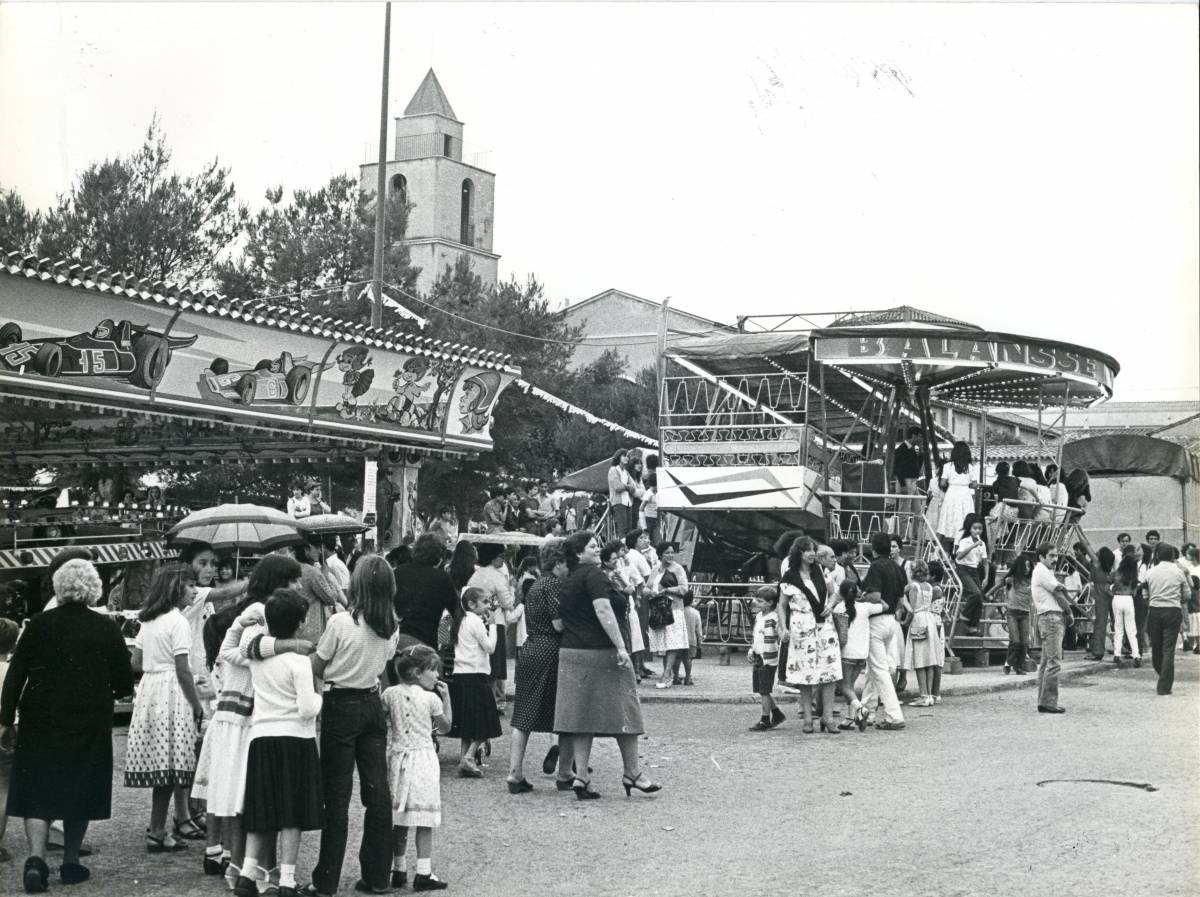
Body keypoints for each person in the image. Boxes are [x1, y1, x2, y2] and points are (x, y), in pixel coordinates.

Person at [0, 560, 132, 892]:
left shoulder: (39, 624)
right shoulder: (106, 628)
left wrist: (5, 720)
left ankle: (36, 858)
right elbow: (123, 681)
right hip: (88, 719)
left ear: (59, 587)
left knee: (38, 790)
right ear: (94, 588)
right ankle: (71, 861)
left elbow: (15, 675)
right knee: (81, 788)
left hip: (40, 717)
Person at [195, 555, 307, 888]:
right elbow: (246, 650)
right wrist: (290, 646)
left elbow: (231, 649)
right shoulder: (264, 616)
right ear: (278, 584)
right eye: (293, 581)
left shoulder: (247, 614)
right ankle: (255, 869)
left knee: (238, 794)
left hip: (235, 711)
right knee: (252, 796)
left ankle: (237, 861)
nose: (299, 586)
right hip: (251, 714)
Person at [306, 556, 399, 897]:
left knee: (337, 794)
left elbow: (317, 664)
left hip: (341, 704)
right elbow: (385, 661)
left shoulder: (341, 623)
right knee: (377, 793)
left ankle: (326, 879)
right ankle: (377, 874)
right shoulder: (391, 625)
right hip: (371, 703)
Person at [552, 531, 659, 800]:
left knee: (581, 717)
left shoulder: (567, 579)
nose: (597, 549)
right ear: (579, 553)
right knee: (627, 711)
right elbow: (603, 609)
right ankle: (632, 772)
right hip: (601, 652)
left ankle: (582, 777)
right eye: (592, 546)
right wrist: (622, 647)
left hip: (572, 651)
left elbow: (559, 623)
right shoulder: (594, 574)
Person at [232, 590, 324, 897]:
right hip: (295, 739)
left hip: (262, 737)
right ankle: (286, 879)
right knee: (291, 813)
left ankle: (247, 874)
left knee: (261, 809)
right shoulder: (299, 663)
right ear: (299, 623)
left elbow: (241, 647)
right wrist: (321, 697)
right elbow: (307, 708)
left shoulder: (257, 660)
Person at [125, 563, 207, 850]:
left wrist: (155, 667)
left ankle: (157, 828)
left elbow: (135, 662)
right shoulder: (178, 622)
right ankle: (157, 831)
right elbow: (183, 668)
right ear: (176, 588)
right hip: (173, 692)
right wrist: (197, 705)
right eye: (190, 585)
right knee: (174, 765)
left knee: (164, 766)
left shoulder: (149, 620)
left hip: (150, 690)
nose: (195, 591)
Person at [508, 540, 576, 792]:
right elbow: (559, 624)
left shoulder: (535, 584)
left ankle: (515, 773)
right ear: (558, 563)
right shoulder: (555, 585)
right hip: (551, 650)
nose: (569, 569)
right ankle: (566, 772)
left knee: (523, 715)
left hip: (530, 647)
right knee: (564, 714)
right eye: (567, 564)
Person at [383, 645, 451, 892]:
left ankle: (398, 868)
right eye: (432, 670)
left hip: (398, 758)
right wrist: (447, 699)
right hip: (423, 759)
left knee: (400, 816)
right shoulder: (432, 699)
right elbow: (446, 727)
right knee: (424, 818)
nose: (436, 675)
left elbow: (383, 721)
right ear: (416, 672)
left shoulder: (389, 694)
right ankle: (423, 871)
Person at [778, 536, 842, 734]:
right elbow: (781, 605)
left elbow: (834, 593)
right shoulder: (790, 577)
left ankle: (828, 717)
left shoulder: (822, 572)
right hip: (801, 626)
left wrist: (830, 605)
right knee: (805, 674)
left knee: (829, 672)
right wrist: (783, 628)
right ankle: (807, 717)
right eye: (807, 550)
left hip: (824, 626)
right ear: (799, 552)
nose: (812, 553)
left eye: (813, 549)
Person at [448, 588, 502, 778]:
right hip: (476, 674)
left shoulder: (460, 620)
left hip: (461, 674)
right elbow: (490, 647)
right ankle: (469, 757)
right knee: (485, 721)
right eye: (485, 602)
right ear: (472, 604)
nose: (489, 606)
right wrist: (493, 626)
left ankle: (464, 756)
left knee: (467, 722)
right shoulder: (476, 621)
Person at [859, 532, 906, 730]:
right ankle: (866, 712)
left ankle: (894, 716)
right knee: (875, 669)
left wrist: (862, 596)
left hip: (877, 620)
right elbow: (903, 593)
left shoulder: (876, 566)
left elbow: (876, 595)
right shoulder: (897, 566)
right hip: (891, 621)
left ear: (874, 547)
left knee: (879, 670)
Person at [466, 544, 516, 713]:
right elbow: (507, 602)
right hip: (496, 621)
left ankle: (481, 701)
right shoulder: (497, 577)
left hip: (477, 620)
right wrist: (513, 591)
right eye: (500, 556)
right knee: (494, 666)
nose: (502, 559)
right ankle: (492, 702)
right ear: (494, 557)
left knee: (481, 662)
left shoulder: (474, 576)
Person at [394, 534, 458, 652]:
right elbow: (455, 610)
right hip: (426, 640)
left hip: (397, 638)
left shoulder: (399, 572)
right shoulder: (441, 578)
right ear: (437, 555)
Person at [1143, 543, 1189, 696]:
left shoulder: (1150, 572)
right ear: (1172, 556)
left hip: (1154, 611)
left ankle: (1162, 674)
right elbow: (1187, 595)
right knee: (1168, 649)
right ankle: (1164, 685)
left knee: (1156, 646)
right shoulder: (1178, 572)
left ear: (1157, 555)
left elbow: (1144, 594)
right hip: (1173, 611)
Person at [1031, 543, 1072, 714]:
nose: (1055, 559)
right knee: (1054, 663)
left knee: (1046, 663)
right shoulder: (1042, 570)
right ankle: (1049, 701)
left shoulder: (1044, 571)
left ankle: (1043, 700)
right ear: (1041, 557)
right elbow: (1058, 592)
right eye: (1051, 556)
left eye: (1056, 556)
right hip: (1052, 617)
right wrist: (1069, 612)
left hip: (1046, 617)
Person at [646, 542, 691, 689]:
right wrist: (651, 592)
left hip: (674, 609)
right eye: (667, 553)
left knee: (673, 643)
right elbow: (646, 588)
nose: (670, 555)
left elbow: (684, 589)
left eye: (672, 552)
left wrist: (667, 590)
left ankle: (666, 674)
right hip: (658, 610)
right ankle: (668, 674)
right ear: (660, 554)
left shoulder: (678, 569)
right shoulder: (655, 570)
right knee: (663, 644)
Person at [900, 560, 944, 707]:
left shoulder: (913, 586)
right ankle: (930, 694)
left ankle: (923, 694)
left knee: (919, 658)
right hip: (929, 619)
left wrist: (905, 623)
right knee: (929, 658)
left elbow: (912, 609)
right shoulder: (930, 587)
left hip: (918, 620)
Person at [747, 585, 785, 731]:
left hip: (768, 658)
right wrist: (752, 649)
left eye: (761, 601)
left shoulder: (774, 618)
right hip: (759, 655)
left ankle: (765, 718)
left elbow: (780, 634)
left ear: (770, 603)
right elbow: (756, 636)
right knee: (762, 689)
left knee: (764, 689)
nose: (757, 603)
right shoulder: (758, 617)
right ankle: (776, 713)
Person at [294, 537, 345, 644]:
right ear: (306, 549)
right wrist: (325, 576)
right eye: (316, 547)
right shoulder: (313, 573)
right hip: (312, 632)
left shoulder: (291, 567)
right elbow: (331, 598)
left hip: (295, 630)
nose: (320, 551)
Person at [954, 515, 989, 635]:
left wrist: (986, 577)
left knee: (980, 598)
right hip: (963, 570)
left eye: (980, 529)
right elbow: (958, 557)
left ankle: (973, 625)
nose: (977, 531)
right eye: (975, 528)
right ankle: (964, 615)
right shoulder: (965, 541)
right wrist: (973, 545)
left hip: (974, 571)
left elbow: (985, 562)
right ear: (970, 529)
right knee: (976, 593)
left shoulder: (982, 544)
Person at [936, 441, 977, 541]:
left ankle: (938, 547)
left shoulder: (947, 466)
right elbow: (975, 484)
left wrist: (952, 482)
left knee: (946, 519)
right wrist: (966, 484)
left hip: (951, 494)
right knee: (964, 518)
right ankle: (961, 543)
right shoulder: (970, 467)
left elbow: (942, 483)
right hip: (965, 495)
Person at [1003, 555, 1034, 675]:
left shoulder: (1032, 581)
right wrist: (989, 593)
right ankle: (1009, 662)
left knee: (1025, 642)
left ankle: (1018, 666)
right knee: (1015, 641)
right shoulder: (1012, 579)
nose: (1027, 568)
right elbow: (1000, 584)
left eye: (1029, 566)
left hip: (1025, 613)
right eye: (1024, 566)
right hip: (1012, 613)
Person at [1111, 548, 1141, 668]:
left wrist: (1112, 591)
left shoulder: (1116, 573)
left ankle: (1116, 654)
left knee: (1118, 628)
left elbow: (1108, 585)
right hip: (1128, 599)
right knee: (1131, 629)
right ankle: (1136, 655)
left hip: (1117, 598)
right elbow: (1135, 591)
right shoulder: (1133, 576)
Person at [1085, 546, 1115, 661]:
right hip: (1108, 595)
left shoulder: (1097, 565)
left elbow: (1086, 545)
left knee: (1100, 624)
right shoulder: (1107, 569)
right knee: (1116, 622)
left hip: (1101, 596)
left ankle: (1098, 651)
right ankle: (1124, 648)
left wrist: (1078, 529)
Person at [893, 426, 925, 513]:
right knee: (904, 511)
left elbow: (917, 467)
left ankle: (916, 527)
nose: (921, 439)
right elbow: (897, 468)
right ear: (914, 436)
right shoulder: (902, 448)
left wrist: (921, 454)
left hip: (913, 481)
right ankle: (902, 527)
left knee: (918, 511)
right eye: (920, 436)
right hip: (906, 481)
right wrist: (903, 485)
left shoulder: (912, 449)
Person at [606, 450, 634, 534]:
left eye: (628, 456)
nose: (627, 458)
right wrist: (628, 487)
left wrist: (625, 486)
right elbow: (617, 487)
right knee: (623, 529)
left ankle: (628, 547)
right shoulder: (613, 470)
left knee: (629, 529)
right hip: (618, 502)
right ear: (618, 457)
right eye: (624, 456)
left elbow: (633, 488)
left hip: (628, 502)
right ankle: (623, 546)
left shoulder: (626, 472)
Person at [682, 593, 702, 685]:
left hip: (679, 638)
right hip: (691, 639)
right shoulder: (695, 612)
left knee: (677, 658)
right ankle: (688, 677)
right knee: (688, 659)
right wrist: (699, 641)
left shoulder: (679, 611)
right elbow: (698, 630)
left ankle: (675, 677)